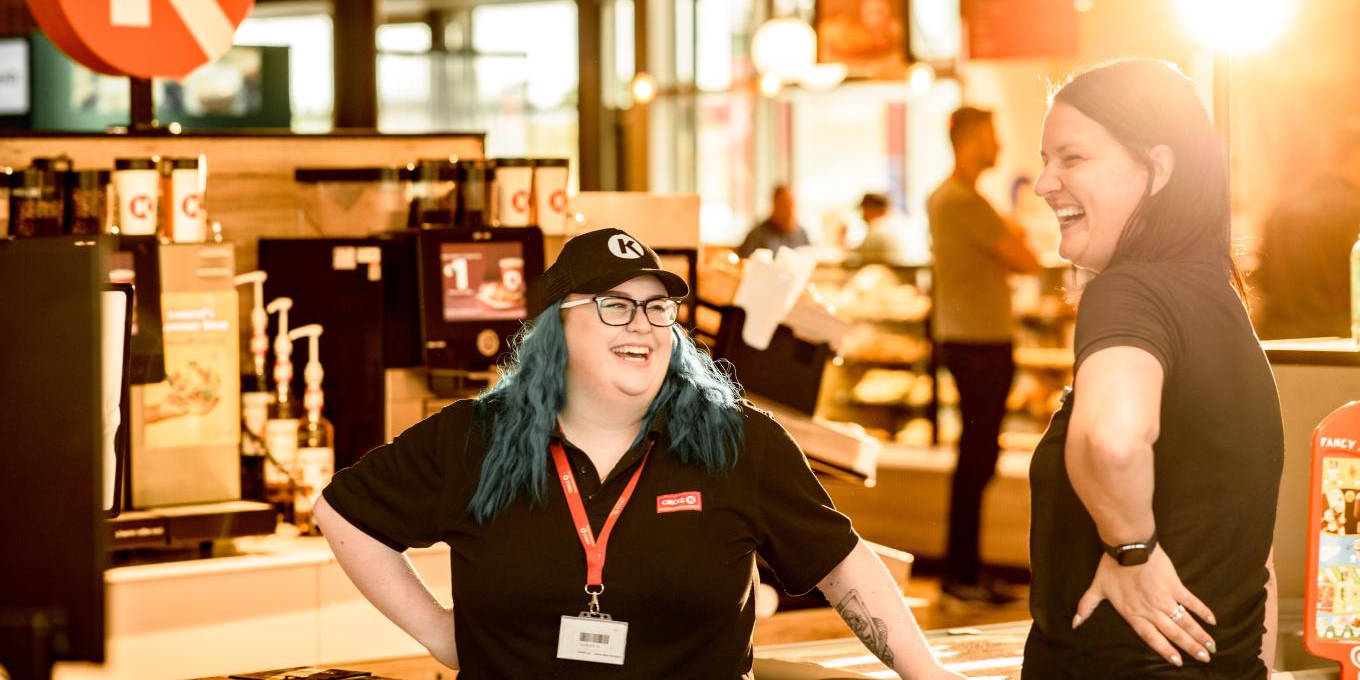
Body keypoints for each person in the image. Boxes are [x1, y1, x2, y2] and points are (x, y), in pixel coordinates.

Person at [315, 227, 965, 680]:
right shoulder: (473, 439)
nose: (643, 325)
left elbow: (843, 563)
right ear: (555, 326)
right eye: (616, 304)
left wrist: (924, 669)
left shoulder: (738, 442)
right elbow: (343, 512)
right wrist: (438, 632)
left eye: (658, 308)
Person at [1024, 58, 1284, 678]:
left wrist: (1132, 550)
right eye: (1045, 160)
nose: (1043, 183)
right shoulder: (1220, 299)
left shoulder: (1130, 291)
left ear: (1157, 169)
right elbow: (1254, 552)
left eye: (1072, 158)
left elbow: (1112, 439)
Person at [926, 105, 1041, 605]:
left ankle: (964, 570)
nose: (998, 147)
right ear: (970, 140)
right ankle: (962, 574)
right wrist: (1013, 237)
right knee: (977, 459)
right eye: (992, 137)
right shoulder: (963, 202)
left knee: (976, 457)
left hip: (969, 340)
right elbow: (1027, 259)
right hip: (979, 345)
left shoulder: (950, 199)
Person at [1253, 116, 1360, 339]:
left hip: (1279, 341)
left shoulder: (1284, 205)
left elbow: (1261, 275)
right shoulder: (1353, 209)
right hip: (1336, 346)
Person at [737, 184, 810, 258]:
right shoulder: (757, 235)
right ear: (774, 205)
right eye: (785, 207)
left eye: (792, 206)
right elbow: (744, 263)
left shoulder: (802, 235)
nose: (790, 212)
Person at [847, 192, 915, 267]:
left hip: (895, 276)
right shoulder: (899, 222)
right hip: (909, 275)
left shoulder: (878, 228)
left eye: (864, 210)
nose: (862, 217)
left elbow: (860, 258)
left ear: (872, 208)